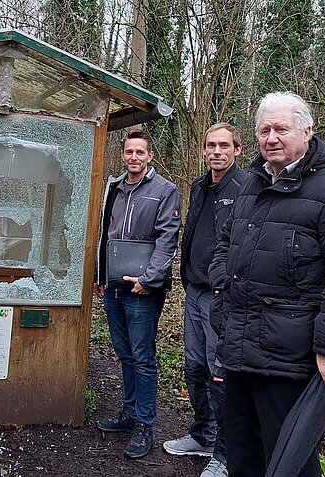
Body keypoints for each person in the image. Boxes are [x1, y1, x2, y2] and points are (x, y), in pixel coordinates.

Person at [208, 92, 325, 477]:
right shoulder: (251, 183)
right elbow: (224, 245)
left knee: (288, 463)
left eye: (281, 129)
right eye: (265, 130)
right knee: (242, 456)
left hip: (289, 360)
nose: (271, 138)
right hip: (238, 350)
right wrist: (223, 294)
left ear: (307, 131)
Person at [163, 123, 248, 477]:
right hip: (195, 292)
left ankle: (225, 454)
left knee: (220, 373)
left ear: (237, 150)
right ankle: (202, 434)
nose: (217, 151)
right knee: (194, 366)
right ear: (203, 150)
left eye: (224, 146)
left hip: (223, 299)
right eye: (211, 145)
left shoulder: (246, 188)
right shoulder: (199, 186)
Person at [93, 130, 181, 459]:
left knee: (143, 358)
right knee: (125, 354)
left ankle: (145, 424)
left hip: (143, 290)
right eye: (129, 152)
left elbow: (166, 239)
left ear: (150, 156)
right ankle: (129, 414)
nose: (134, 157)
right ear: (122, 155)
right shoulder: (113, 188)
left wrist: (149, 278)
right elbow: (104, 234)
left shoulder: (164, 191)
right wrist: (100, 275)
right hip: (114, 286)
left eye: (140, 152)